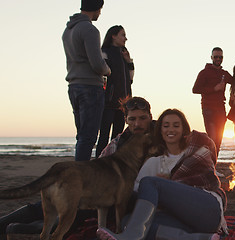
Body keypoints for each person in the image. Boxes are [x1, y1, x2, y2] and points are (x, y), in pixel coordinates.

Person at [0, 97, 153, 238]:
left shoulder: (158, 138)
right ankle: (6, 224)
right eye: (132, 119)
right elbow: (98, 166)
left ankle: (23, 228)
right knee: (44, 205)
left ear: (150, 117)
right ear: (126, 119)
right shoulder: (118, 142)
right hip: (100, 190)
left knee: (75, 214)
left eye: (142, 118)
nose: (137, 124)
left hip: (131, 198)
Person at [97, 109, 226, 240]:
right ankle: (201, 238)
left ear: (184, 130)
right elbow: (137, 193)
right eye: (166, 126)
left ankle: (132, 237)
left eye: (176, 125)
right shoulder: (154, 162)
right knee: (128, 221)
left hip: (207, 209)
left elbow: (209, 178)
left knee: (150, 182)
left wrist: (167, 186)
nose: (171, 129)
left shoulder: (196, 151)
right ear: (160, 131)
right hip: (179, 217)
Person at [62, 0, 111, 161]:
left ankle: (79, 170)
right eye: (101, 9)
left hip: (73, 85)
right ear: (96, 8)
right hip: (90, 87)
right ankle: (81, 174)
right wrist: (108, 70)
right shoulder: (90, 30)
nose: (100, 13)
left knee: (82, 135)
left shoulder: (68, 31)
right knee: (89, 136)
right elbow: (97, 64)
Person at [96, 25, 135, 158]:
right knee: (104, 135)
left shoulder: (123, 53)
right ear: (113, 36)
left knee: (118, 136)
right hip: (108, 102)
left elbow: (130, 79)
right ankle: (100, 162)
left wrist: (128, 61)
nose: (126, 38)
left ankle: (115, 163)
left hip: (123, 104)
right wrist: (106, 94)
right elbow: (102, 75)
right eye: (123, 35)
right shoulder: (105, 51)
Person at [192, 47, 233, 159]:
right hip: (208, 108)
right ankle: (209, 164)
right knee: (212, 137)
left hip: (221, 108)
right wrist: (214, 89)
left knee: (218, 139)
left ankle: (213, 165)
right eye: (216, 57)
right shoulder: (204, 72)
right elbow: (195, 89)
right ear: (211, 57)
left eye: (220, 57)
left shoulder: (224, 73)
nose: (218, 59)